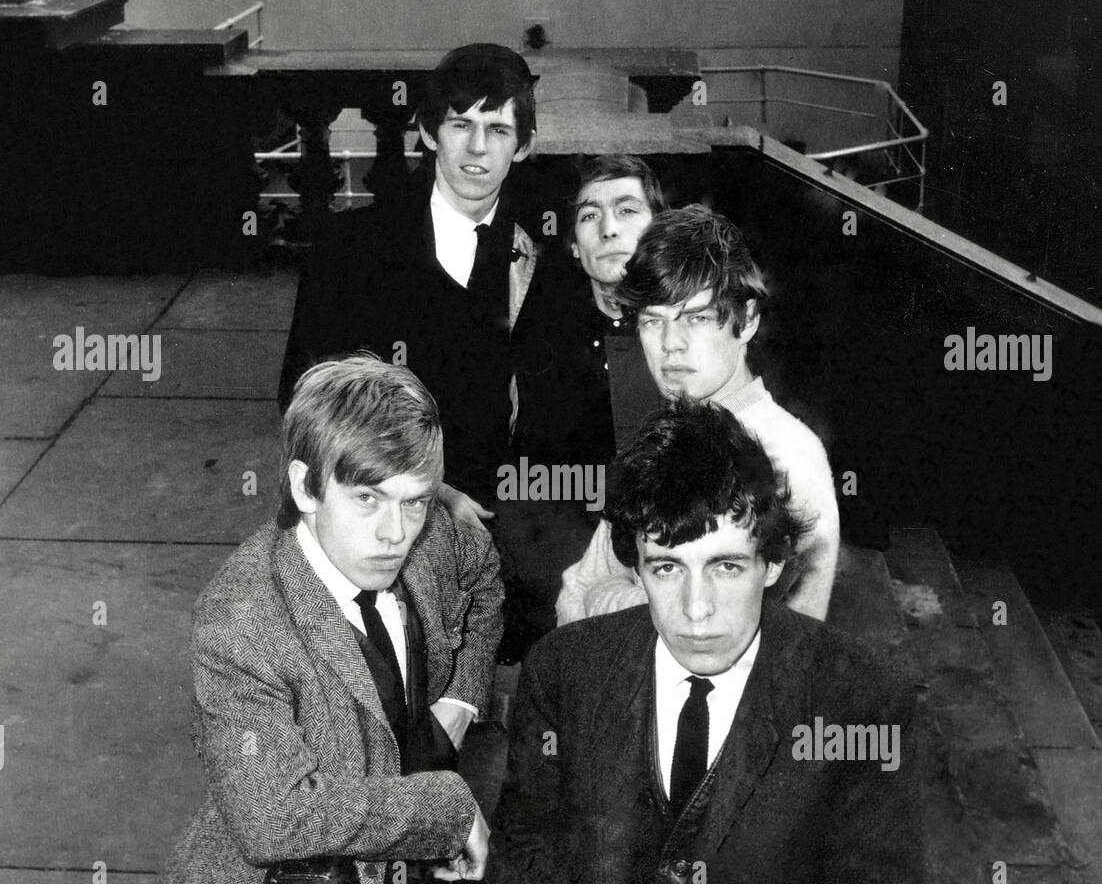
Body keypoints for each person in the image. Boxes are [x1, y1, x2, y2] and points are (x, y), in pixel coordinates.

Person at [492, 400, 923, 884]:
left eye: (726, 566)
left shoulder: (856, 696)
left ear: (776, 564)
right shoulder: (567, 669)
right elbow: (521, 844)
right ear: (636, 564)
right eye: (666, 567)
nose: (696, 609)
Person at [139, 353, 503, 884]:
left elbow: (482, 574)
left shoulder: (428, 539)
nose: (393, 532)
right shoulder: (243, 622)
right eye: (365, 499)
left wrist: (459, 703)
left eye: (413, 501)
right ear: (305, 488)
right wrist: (442, 802)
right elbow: (276, 817)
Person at [278, 43, 540, 521]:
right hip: (375, 507)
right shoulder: (347, 249)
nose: (477, 148)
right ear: (429, 132)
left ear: (523, 146)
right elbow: (306, 400)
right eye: (461, 125)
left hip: (507, 514)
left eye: (498, 130)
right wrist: (432, 492)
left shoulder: (542, 259)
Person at [556, 205, 840, 625]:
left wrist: (610, 601)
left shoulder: (787, 458)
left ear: (745, 322)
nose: (671, 343)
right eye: (654, 321)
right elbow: (577, 587)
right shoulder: (664, 435)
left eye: (697, 318)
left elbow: (726, 641)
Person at [511, 153, 667, 470]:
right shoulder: (546, 342)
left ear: (658, 229)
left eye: (627, 210)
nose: (608, 229)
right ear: (574, 247)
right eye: (590, 216)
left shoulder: (690, 338)